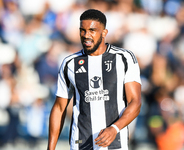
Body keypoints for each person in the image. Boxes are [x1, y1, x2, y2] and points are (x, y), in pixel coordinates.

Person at [47, 9, 141, 150]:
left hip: (115, 143)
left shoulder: (124, 58)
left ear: (104, 33)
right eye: (82, 30)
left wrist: (114, 128)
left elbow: (135, 102)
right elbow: (59, 108)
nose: (86, 35)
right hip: (81, 143)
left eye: (92, 30)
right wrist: (51, 147)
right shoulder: (70, 63)